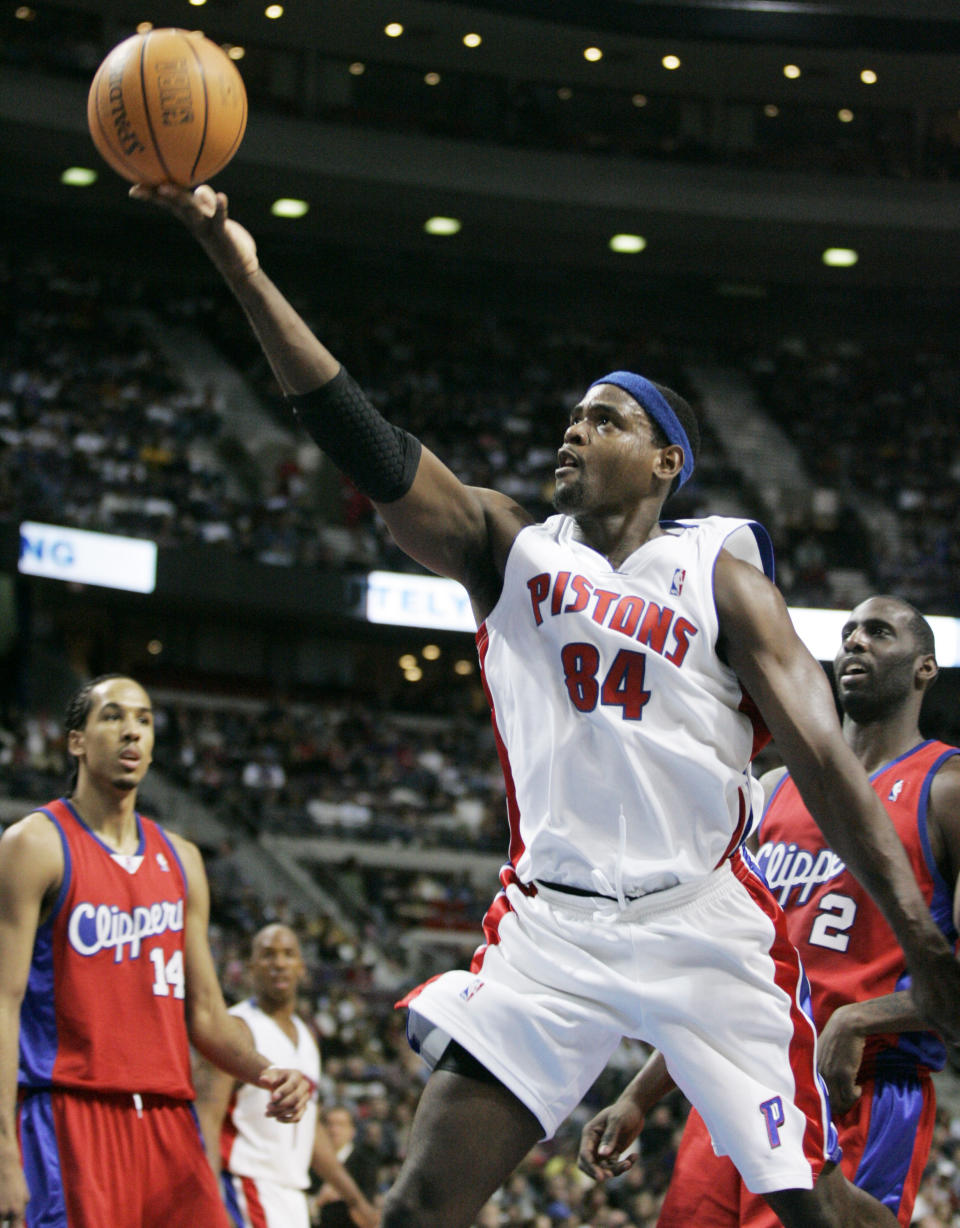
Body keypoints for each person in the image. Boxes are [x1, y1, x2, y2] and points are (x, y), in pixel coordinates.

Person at [134, 181, 960, 1228]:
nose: (573, 429)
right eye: (570, 414)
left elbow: (829, 768)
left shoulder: (720, 574)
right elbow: (368, 440)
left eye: (604, 418)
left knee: (813, 1202)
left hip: (700, 924)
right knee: (420, 1201)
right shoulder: (513, 549)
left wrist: (922, 939)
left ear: (667, 461)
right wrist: (241, 270)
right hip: (551, 927)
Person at [578, 594, 960, 1227]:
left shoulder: (945, 788)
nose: (855, 643)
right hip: (737, 1082)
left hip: (856, 1089)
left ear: (925, 668)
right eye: (848, 633)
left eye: (879, 632)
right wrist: (639, 1094)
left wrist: (860, 1020)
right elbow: (728, 969)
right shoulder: (779, 787)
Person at [0, 675, 313, 1228]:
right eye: (113, 716)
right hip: (71, 1114)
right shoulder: (34, 845)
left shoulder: (183, 860)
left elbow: (209, 1017)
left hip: (169, 1122)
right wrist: (4, 1148)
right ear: (76, 740)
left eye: (144, 720)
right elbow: (3, 1004)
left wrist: (268, 1072)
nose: (132, 733)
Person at [194, 922, 378, 1228]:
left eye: (288, 954)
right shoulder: (236, 1029)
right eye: (268, 955)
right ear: (251, 967)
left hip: (289, 1195)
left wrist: (356, 1199)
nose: (279, 963)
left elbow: (309, 1129)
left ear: (302, 968)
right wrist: (212, 1201)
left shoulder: (307, 1038)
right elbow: (205, 1121)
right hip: (245, 1185)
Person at [316, 1105, 382, 1227]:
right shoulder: (312, 1162)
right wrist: (318, 1200)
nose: (334, 1130)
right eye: (329, 1124)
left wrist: (344, 1193)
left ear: (352, 1130)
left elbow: (367, 1203)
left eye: (340, 1125)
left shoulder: (365, 1162)